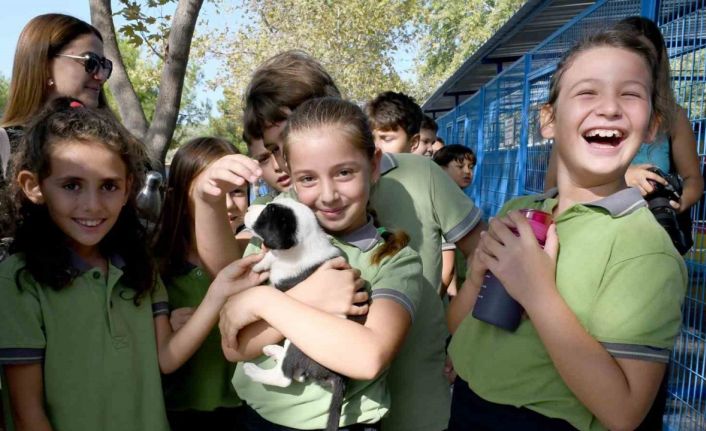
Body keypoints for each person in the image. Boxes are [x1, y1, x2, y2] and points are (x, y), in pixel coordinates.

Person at [193, 50, 485, 431]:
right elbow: (235, 338)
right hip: (279, 412)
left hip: (405, 395)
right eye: (284, 152)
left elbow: (483, 256)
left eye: (344, 169)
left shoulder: (414, 193)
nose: (326, 192)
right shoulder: (288, 214)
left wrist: (467, 338)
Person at [447, 30, 687, 430]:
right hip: (467, 409)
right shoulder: (518, 212)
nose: (609, 108)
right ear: (549, 120)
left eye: (630, 94)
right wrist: (474, 280)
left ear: (651, 127)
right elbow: (459, 327)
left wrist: (537, 292)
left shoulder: (645, 251)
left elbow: (624, 412)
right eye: (587, 92)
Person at [0, 98, 267, 431]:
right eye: (72, 185)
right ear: (33, 186)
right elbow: (28, 415)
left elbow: (165, 358)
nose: (92, 205)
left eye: (109, 186)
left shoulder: (139, 267)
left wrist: (218, 292)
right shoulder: (19, 279)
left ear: (128, 188)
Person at [212, 97, 422, 430]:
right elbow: (236, 346)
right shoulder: (277, 230)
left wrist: (263, 301)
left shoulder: (395, 260)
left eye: (344, 172)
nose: (328, 195)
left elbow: (368, 358)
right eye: (308, 178)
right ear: (290, 176)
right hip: (256, 418)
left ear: (374, 164)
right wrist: (304, 298)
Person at [544, 17, 703, 216]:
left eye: (645, 58)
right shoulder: (578, 120)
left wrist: (673, 205)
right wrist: (622, 178)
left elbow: (693, 179)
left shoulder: (674, 115)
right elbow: (552, 186)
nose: (610, 109)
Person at [153, 137, 250, 430]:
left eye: (237, 191)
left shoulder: (253, 252)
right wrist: (166, 325)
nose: (229, 204)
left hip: (245, 409)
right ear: (180, 198)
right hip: (178, 412)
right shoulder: (156, 265)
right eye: (213, 191)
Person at [0, 13, 114, 237]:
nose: (100, 76)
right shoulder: (3, 143)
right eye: (90, 62)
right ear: (44, 65)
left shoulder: (114, 143)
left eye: (104, 65)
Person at [433, 144, 478, 296]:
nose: (467, 172)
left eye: (471, 167)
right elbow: (448, 267)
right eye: (460, 166)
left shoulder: (462, 201)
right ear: (441, 168)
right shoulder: (444, 204)